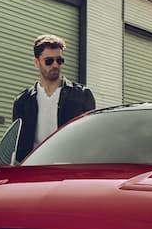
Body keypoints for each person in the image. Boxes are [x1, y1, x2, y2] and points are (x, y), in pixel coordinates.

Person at [9, 34, 96, 164]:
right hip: (33, 171)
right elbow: (17, 146)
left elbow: (92, 139)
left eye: (59, 60)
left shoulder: (82, 95)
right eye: (49, 61)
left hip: (70, 171)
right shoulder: (23, 101)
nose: (55, 65)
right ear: (36, 62)